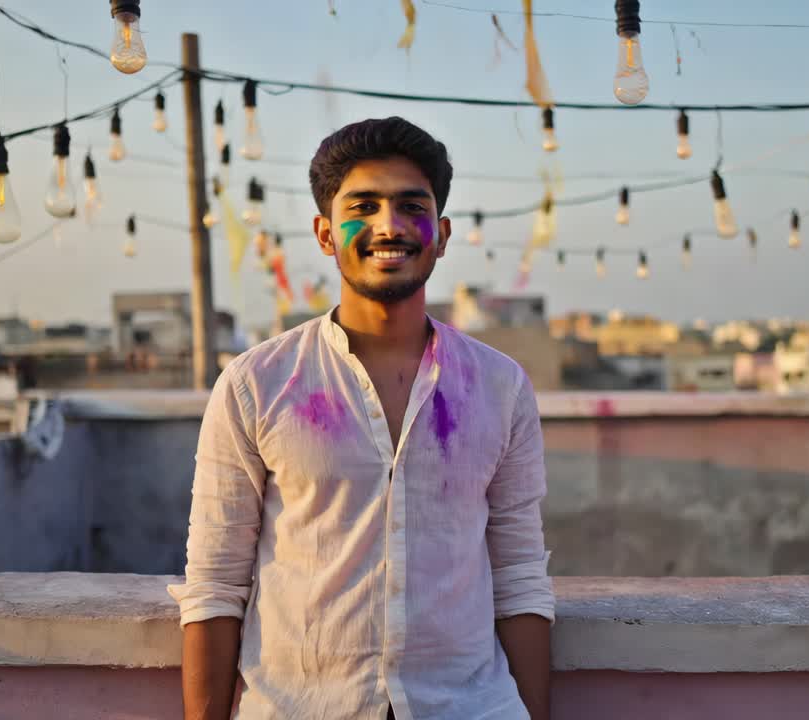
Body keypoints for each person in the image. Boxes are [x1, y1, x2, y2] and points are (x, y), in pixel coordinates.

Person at [170, 117, 554, 720]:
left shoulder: (500, 386)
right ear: (326, 234)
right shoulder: (256, 384)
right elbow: (215, 585)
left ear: (443, 234)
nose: (389, 226)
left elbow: (520, 574)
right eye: (364, 206)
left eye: (410, 206)